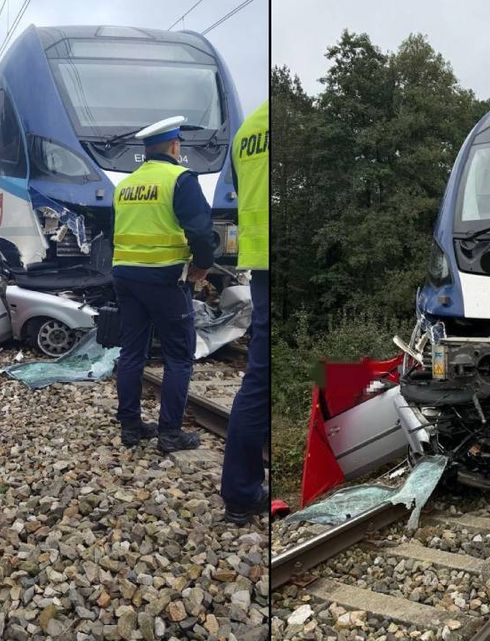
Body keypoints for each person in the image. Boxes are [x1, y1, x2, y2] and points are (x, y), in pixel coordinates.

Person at [112, 116, 215, 453]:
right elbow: (200, 230)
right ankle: (170, 434)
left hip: (125, 276)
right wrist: (202, 264)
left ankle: (130, 427)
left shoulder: (125, 185)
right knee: (179, 356)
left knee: (131, 352)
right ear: (174, 146)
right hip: (164, 278)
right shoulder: (179, 179)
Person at [220, 100, 270, 524]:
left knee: (257, 380)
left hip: (261, 265)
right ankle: (243, 491)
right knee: (271, 377)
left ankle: (241, 491)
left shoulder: (246, 131)